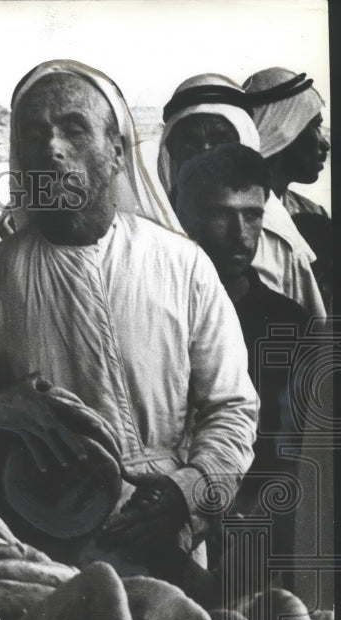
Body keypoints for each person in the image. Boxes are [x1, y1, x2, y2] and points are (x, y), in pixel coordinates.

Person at [0, 60, 259, 577]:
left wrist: (186, 495)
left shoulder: (183, 265)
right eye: (33, 133)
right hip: (37, 547)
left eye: (73, 128)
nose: (52, 147)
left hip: (167, 533)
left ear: (116, 151)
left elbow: (230, 410)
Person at [174, 143, 311, 592]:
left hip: (257, 533)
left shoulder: (289, 323)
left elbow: (295, 452)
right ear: (186, 216)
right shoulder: (161, 311)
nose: (240, 233)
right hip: (166, 518)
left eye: (253, 215)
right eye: (221, 214)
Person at [158, 74, 325, 318]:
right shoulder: (151, 224)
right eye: (190, 142)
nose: (205, 155)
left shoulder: (280, 240)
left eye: (220, 140)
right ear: (171, 151)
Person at [244, 68, 332, 312]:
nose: (325, 143)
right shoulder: (237, 220)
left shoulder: (314, 212)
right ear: (284, 130)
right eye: (314, 126)